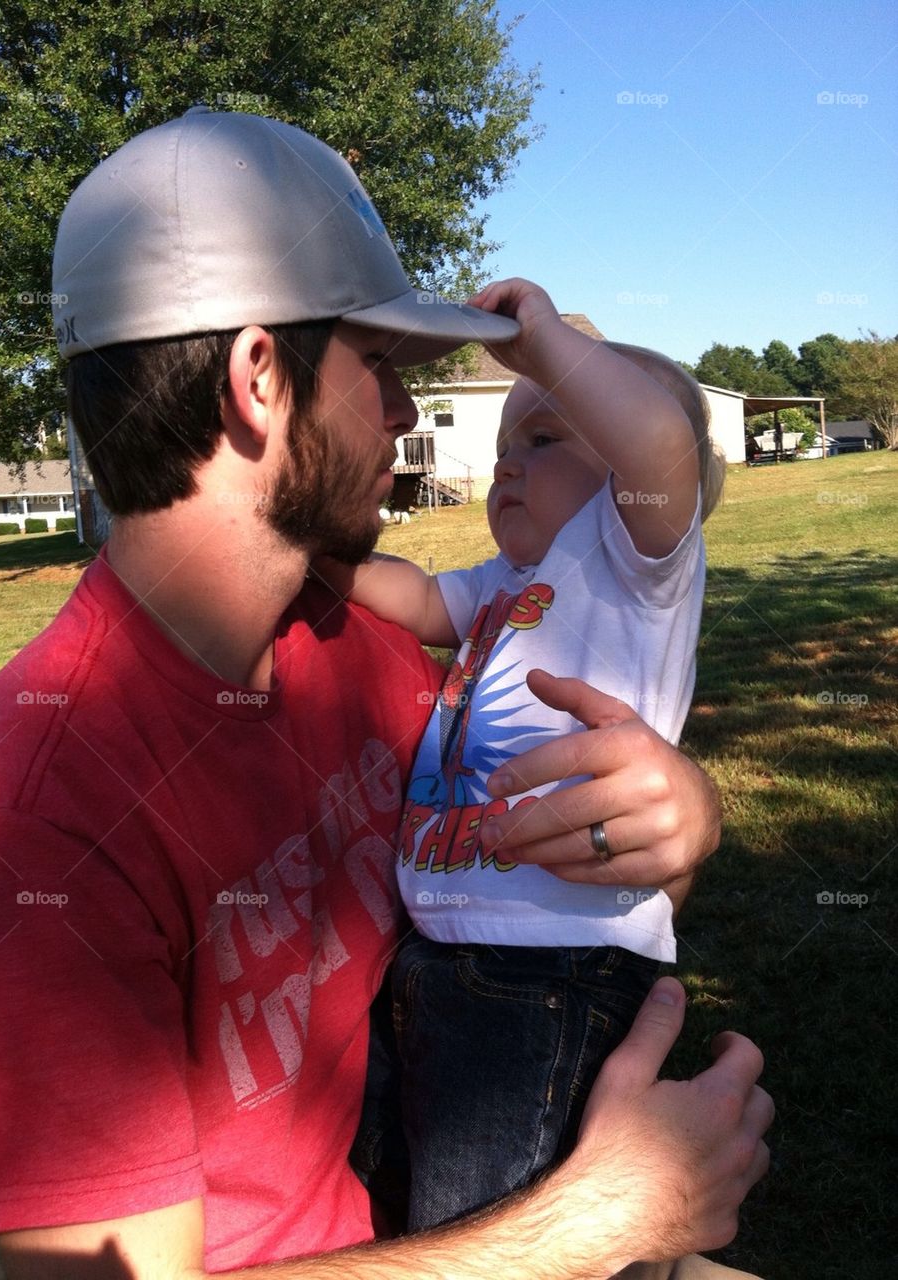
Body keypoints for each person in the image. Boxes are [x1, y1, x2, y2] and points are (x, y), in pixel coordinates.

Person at [0, 108, 771, 1280]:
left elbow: (528, 802)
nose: (402, 414)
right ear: (258, 380)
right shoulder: (29, 827)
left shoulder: (352, 644)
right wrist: (592, 1219)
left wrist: (678, 809)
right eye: (378, 366)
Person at [318, 278, 726, 1229]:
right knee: (422, 1206)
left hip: (549, 967)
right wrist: (315, 554)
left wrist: (545, 343)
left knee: (496, 1218)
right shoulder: (505, 582)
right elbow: (416, 600)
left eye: (544, 440)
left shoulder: (633, 560)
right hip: (443, 959)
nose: (509, 466)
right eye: (504, 447)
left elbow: (657, 442)